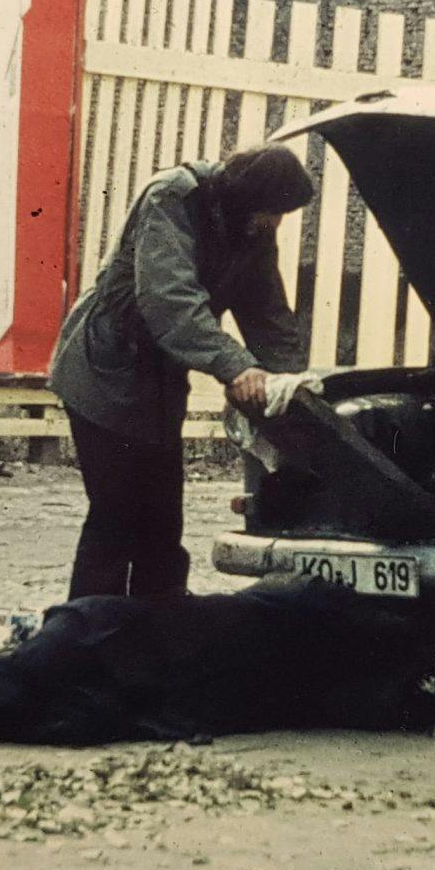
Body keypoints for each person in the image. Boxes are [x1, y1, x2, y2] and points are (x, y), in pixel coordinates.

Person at [48, 145, 313, 600]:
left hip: (158, 384)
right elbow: (170, 303)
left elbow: (267, 314)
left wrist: (292, 389)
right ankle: (84, 639)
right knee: (116, 514)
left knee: (162, 521)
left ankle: (161, 637)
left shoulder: (250, 226)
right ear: (248, 198)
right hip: (103, 367)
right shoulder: (172, 197)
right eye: (272, 212)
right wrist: (237, 368)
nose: (275, 224)